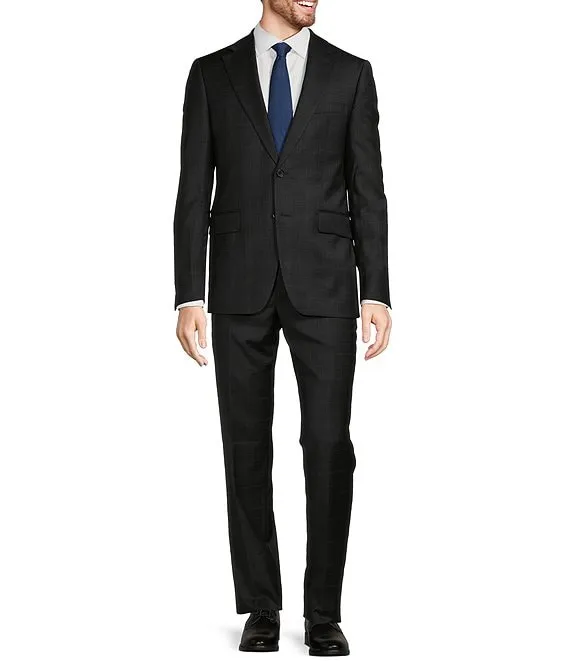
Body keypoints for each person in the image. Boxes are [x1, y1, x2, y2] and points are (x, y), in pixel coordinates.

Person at [173, 0, 391, 654]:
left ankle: (323, 611)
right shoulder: (211, 74)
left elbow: (368, 188)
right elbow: (193, 189)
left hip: (325, 282)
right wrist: (188, 295)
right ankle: (261, 604)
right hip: (238, 281)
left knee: (328, 444)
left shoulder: (351, 74)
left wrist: (376, 290)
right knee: (245, 446)